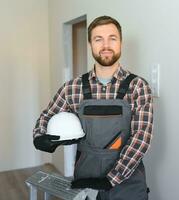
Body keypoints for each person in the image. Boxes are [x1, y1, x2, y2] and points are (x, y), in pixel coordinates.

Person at [33, 15, 153, 200]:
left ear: (120, 42)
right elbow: (47, 117)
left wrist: (110, 180)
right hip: (86, 183)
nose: (106, 45)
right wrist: (40, 137)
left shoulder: (138, 87)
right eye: (98, 39)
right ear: (90, 44)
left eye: (112, 38)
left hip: (127, 184)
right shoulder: (72, 88)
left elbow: (141, 140)